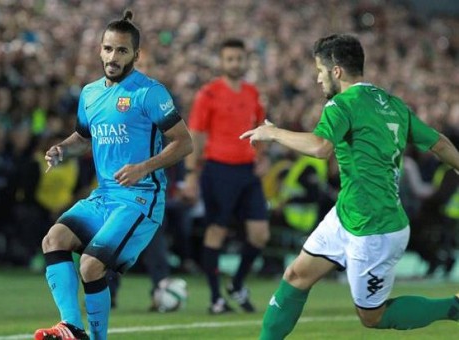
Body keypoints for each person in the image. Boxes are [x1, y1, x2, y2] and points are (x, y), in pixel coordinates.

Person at [240, 34, 459, 339]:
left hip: (375, 227)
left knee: (373, 317)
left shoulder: (341, 104)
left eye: (320, 70)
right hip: (346, 214)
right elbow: (440, 144)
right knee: (296, 276)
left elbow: (320, 147)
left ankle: (453, 307)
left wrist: (274, 133)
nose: (318, 78)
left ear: (337, 71)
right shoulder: (392, 104)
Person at [33, 10, 193, 340]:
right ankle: (72, 328)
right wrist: (62, 148)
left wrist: (144, 167)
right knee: (54, 239)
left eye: (122, 50)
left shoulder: (150, 92)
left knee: (91, 266)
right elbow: (83, 136)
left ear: (136, 54)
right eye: (108, 48)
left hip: (140, 199)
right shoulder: (90, 94)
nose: (113, 56)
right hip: (104, 196)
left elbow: (184, 142)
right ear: (99, 49)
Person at [182, 38, 270, 314]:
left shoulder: (253, 93)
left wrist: (262, 157)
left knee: (260, 234)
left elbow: (260, 127)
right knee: (216, 231)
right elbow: (196, 135)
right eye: (229, 58)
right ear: (221, 62)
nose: (235, 63)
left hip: (247, 171)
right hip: (217, 169)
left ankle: (237, 283)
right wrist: (191, 174)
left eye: (239, 58)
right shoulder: (208, 94)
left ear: (245, 61)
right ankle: (215, 298)